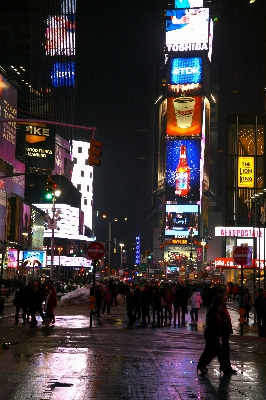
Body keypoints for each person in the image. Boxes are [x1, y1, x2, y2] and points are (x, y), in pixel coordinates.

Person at [197, 296, 225, 374]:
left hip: (214, 333)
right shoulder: (213, 312)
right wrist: (216, 330)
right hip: (211, 334)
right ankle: (202, 364)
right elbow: (211, 323)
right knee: (211, 350)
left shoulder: (216, 312)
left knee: (216, 350)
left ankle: (203, 364)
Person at [219, 292, 237, 374]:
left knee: (225, 350)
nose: (226, 301)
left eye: (226, 299)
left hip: (225, 331)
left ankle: (227, 367)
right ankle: (225, 367)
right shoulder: (220, 308)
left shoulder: (223, 307)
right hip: (223, 331)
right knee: (223, 350)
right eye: (224, 299)